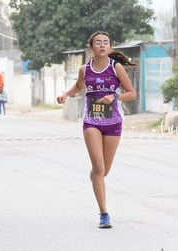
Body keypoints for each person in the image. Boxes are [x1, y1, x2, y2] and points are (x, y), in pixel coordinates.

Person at [56, 31, 136, 229]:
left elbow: (131, 93)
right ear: (91, 47)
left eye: (106, 42)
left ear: (109, 47)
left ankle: (96, 175)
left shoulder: (116, 67)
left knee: (104, 171)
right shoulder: (85, 69)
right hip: (91, 122)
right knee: (99, 168)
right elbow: (78, 86)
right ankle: (104, 213)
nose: (102, 45)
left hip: (113, 121)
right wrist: (66, 94)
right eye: (98, 42)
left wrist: (114, 97)